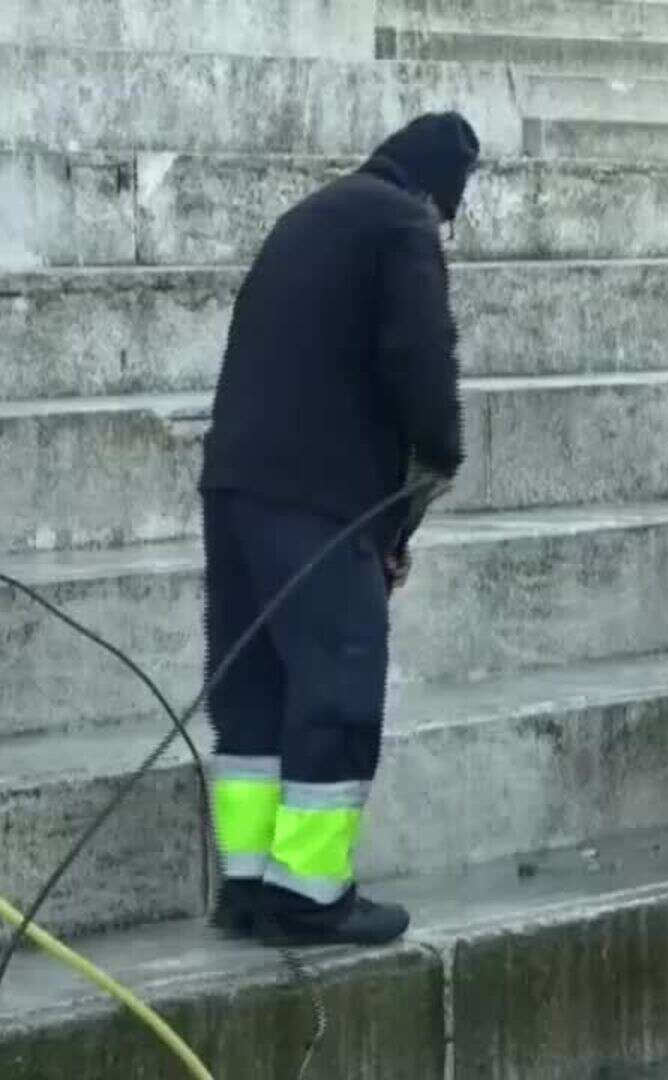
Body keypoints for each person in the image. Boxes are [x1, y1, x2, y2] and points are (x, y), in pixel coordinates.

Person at [198, 112, 478, 946]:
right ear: (437, 192)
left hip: (236, 488)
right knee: (337, 687)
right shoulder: (401, 223)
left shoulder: (309, 216)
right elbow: (423, 368)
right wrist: (423, 483)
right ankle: (312, 894)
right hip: (318, 501)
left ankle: (248, 888)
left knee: (253, 693)